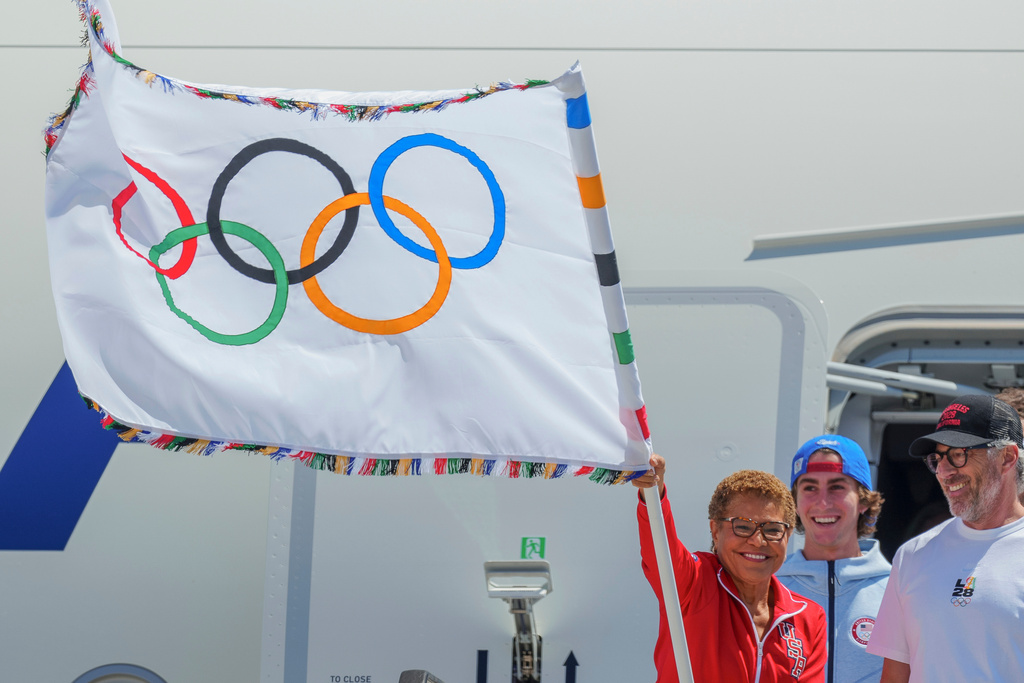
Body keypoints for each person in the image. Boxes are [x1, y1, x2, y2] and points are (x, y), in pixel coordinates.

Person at [866, 394, 1024, 682]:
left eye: (959, 454)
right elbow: (895, 675)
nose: (944, 471)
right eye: (937, 458)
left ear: (1007, 458)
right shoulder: (913, 555)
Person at [634, 455, 827, 682]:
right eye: (743, 526)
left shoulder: (809, 618)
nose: (758, 540)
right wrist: (654, 495)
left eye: (773, 529)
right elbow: (660, 549)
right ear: (716, 531)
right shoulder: (693, 583)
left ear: (788, 535)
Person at [776, 435, 890, 683]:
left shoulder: (898, 588)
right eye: (809, 488)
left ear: (862, 500)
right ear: (794, 502)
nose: (823, 502)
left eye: (837, 487)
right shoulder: (767, 588)